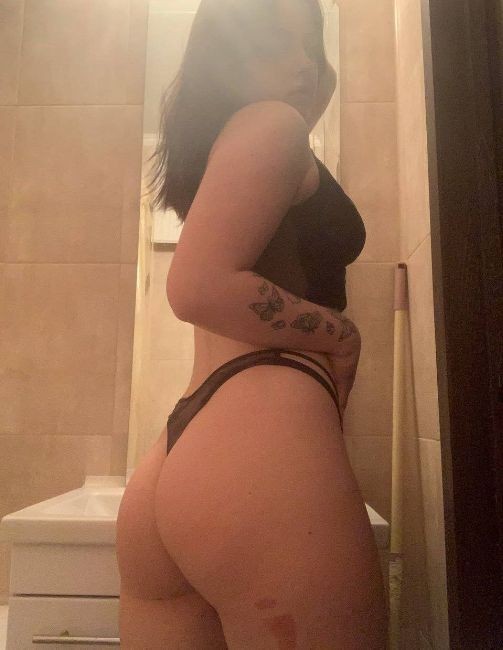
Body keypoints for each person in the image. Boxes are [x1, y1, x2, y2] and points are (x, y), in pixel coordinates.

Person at [116, 1, 388, 648]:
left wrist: (300, 55)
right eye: (273, 43)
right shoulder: (271, 126)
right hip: (263, 441)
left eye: (310, 42)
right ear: (227, 59)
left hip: (181, 457)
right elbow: (197, 287)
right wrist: (340, 335)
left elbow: (313, 84)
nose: (303, 63)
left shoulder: (240, 142)